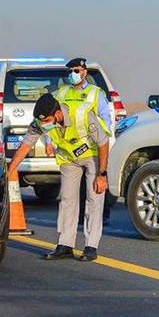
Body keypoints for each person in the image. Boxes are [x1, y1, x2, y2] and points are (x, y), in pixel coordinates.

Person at [8, 93, 110, 262]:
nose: (43, 125)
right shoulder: (40, 123)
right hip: (69, 159)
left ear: (57, 114)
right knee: (67, 200)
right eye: (41, 122)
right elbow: (26, 144)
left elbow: (103, 142)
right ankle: (65, 245)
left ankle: (91, 246)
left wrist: (102, 174)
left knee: (94, 199)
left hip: (93, 157)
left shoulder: (81, 114)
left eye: (46, 121)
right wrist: (11, 170)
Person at [44, 58, 116, 225]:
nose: (73, 74)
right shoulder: (61, 93)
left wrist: (100, 139)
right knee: (68, 197)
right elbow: (51, 118)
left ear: (85, 72)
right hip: (69, 151)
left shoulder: (95, 93)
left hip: (92, 149)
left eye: (76, 71)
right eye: (70, 71)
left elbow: (105, 119)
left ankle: (96, 230)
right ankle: (67, 238)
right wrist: (49, 140)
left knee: (95, 192)